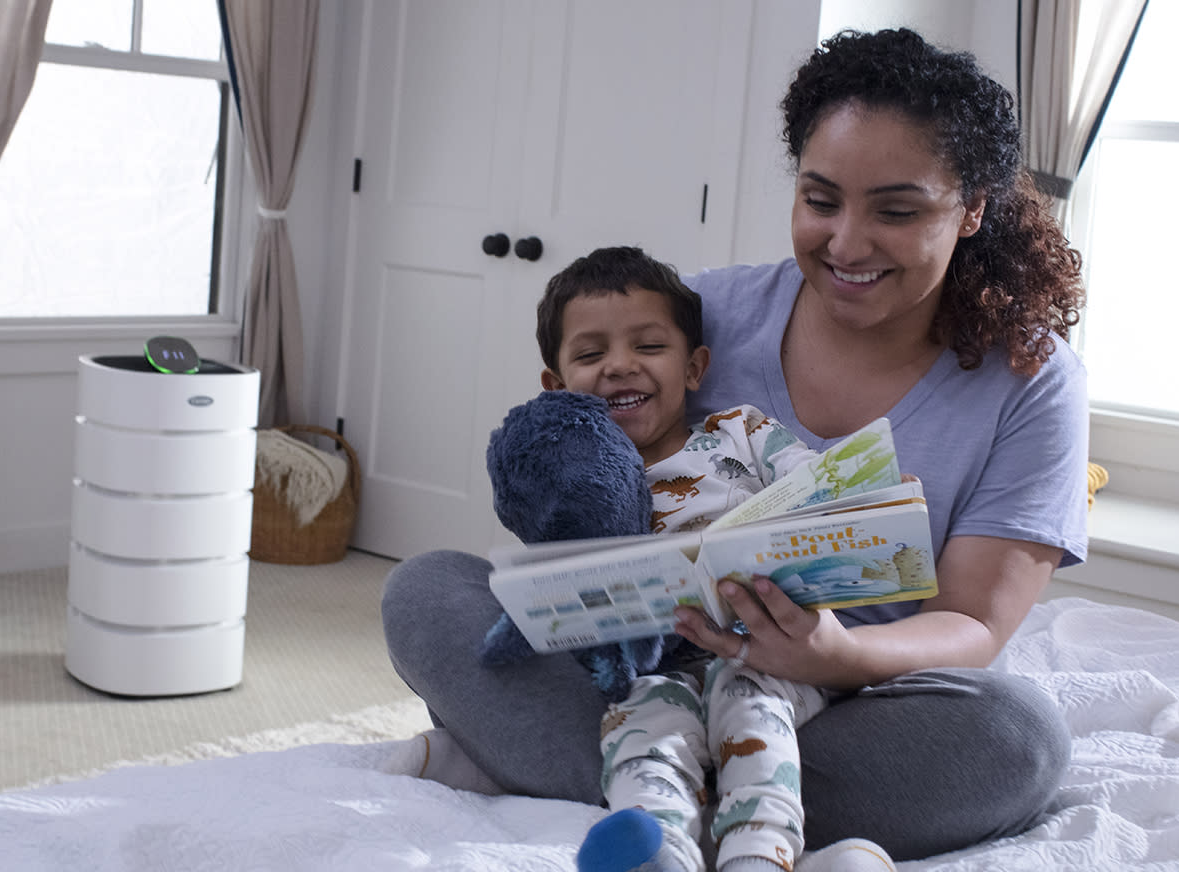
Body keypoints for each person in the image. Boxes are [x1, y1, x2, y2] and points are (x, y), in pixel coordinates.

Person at [381, 27, 1088, 864]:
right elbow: (576, 471)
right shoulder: (704, 313)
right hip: (651, 668)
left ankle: (612, 789)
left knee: (1019, 738)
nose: (848, 244)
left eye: (896, 211)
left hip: (851, 697)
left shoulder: (1030, 378)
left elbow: (970, 622)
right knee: (428, 590)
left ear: (971, 209)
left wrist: (839, 652)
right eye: (821, 200)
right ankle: (739, 812)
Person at [523, 245, 878, 872]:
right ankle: (658, 853)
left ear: (694, 367)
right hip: (657, 662)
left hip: (770, 652)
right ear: (557, 388)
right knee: (640, 731)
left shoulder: (741, 432)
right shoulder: (581, 486)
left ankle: (759, 854)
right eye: (589, 354)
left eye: (648, 347)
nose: (619, 367)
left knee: (748, 701)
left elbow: (820, 492)